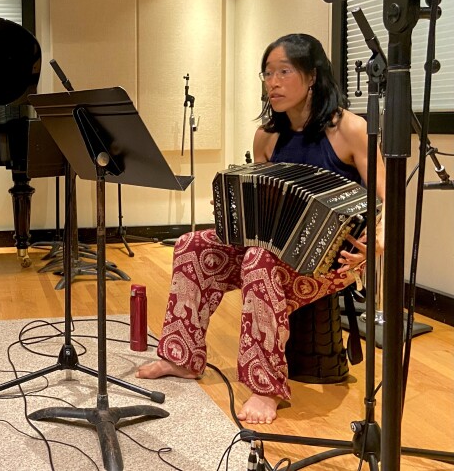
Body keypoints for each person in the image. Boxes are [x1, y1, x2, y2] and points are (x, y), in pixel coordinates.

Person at [137, 33, 384, 424]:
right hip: (271, 255)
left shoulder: (350, 130)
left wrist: (377, 243)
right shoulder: (267, 136)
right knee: (192, 245)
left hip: (331, 262)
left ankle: (266, 387)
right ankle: (181, 356)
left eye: (284, 71)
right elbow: (263, 207)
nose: (272, 82)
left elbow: (386, 200)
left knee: (259, 259)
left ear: (313, 76)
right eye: (267, 73)